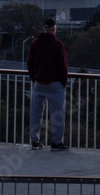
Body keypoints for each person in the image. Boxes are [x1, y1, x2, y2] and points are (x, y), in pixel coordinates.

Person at [26, 17, 69, 150]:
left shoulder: (35, 43)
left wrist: (35, 78)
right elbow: (63, 66)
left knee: (36, 113)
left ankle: (35, 141)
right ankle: (56, 142)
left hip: (38, 83)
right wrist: (63, 82)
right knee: (57, 114)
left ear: (44, 29)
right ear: (54, 29)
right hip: (55, 84)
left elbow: (30, 63)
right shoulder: (58, 44)